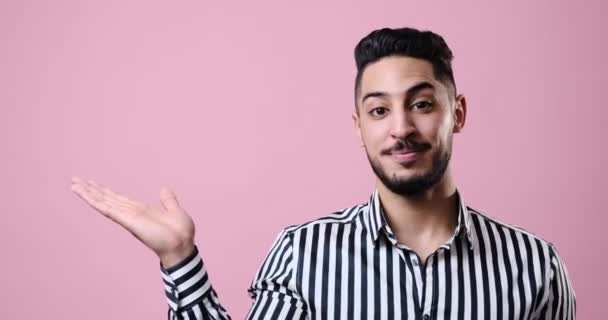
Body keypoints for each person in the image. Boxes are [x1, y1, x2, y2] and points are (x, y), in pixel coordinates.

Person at [70, 27, 576, 320]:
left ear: (457, 113)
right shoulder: (303, 254)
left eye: (421, 104)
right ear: (359, 127)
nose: (401, 128)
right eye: (379, 111)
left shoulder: (536, 266)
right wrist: (179, 257)